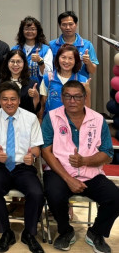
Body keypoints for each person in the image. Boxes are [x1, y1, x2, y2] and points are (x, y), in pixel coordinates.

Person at [41, 81, 119, 253]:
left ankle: (96, 233)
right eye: (68, 96)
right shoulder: (52, 117)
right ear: (62, 98)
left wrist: (85, 161)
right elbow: (46, 152)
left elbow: (107, 153)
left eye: (77, 96)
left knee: (115, 197)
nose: (72, 100)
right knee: (53, 193)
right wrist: (68, 179)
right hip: (60, 173)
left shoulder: (98, 119)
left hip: (90, 173)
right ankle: (65, 231)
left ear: (84, 97)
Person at [0, 82, 45, 253]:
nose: (9, 103)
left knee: (37, 193)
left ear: (19, 100)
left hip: (23, 167)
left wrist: (32, 156)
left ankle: (29, 233)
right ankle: (6, 232)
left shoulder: (30, 118)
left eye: (13, 99)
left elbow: (37, 148)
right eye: (5, 99)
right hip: (1, 166)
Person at [41, 44, 89, 116]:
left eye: (70, 58)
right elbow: (42, 105)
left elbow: (86, 108)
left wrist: (88, 91)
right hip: (51, 120)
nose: (66, 61)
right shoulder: (48, 78)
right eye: (63, 57)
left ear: (76, 61)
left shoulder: (83, 80)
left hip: (74, 120)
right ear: (58, 58)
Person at [49, 10, 98, 79]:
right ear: (59, 26)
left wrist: (88, 62)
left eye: (71, 24)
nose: (68, 27)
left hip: (80, 83)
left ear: (76, 25)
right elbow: (48, 69)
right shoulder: (52, 45)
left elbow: (92, 71)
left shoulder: (87, 45)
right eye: (64, 25)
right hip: (58, 83)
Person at [12, 16, 53, 85]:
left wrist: (40, 61)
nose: (29, 31)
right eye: (26, 29)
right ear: (22, 31)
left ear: (38, 31)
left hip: (38, 87)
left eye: (33, 29)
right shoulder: (15, 49)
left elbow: (48, 74)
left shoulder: (45, 49)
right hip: (18, 87)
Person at [0, 50, 42, 116]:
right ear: (7, 63)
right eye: (12, 61)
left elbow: (35, 109)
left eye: (19, 61)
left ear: (24, 63)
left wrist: (36, 96)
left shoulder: (32, 84)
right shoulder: (0, 83)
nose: (15, 64)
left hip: (25, 120)